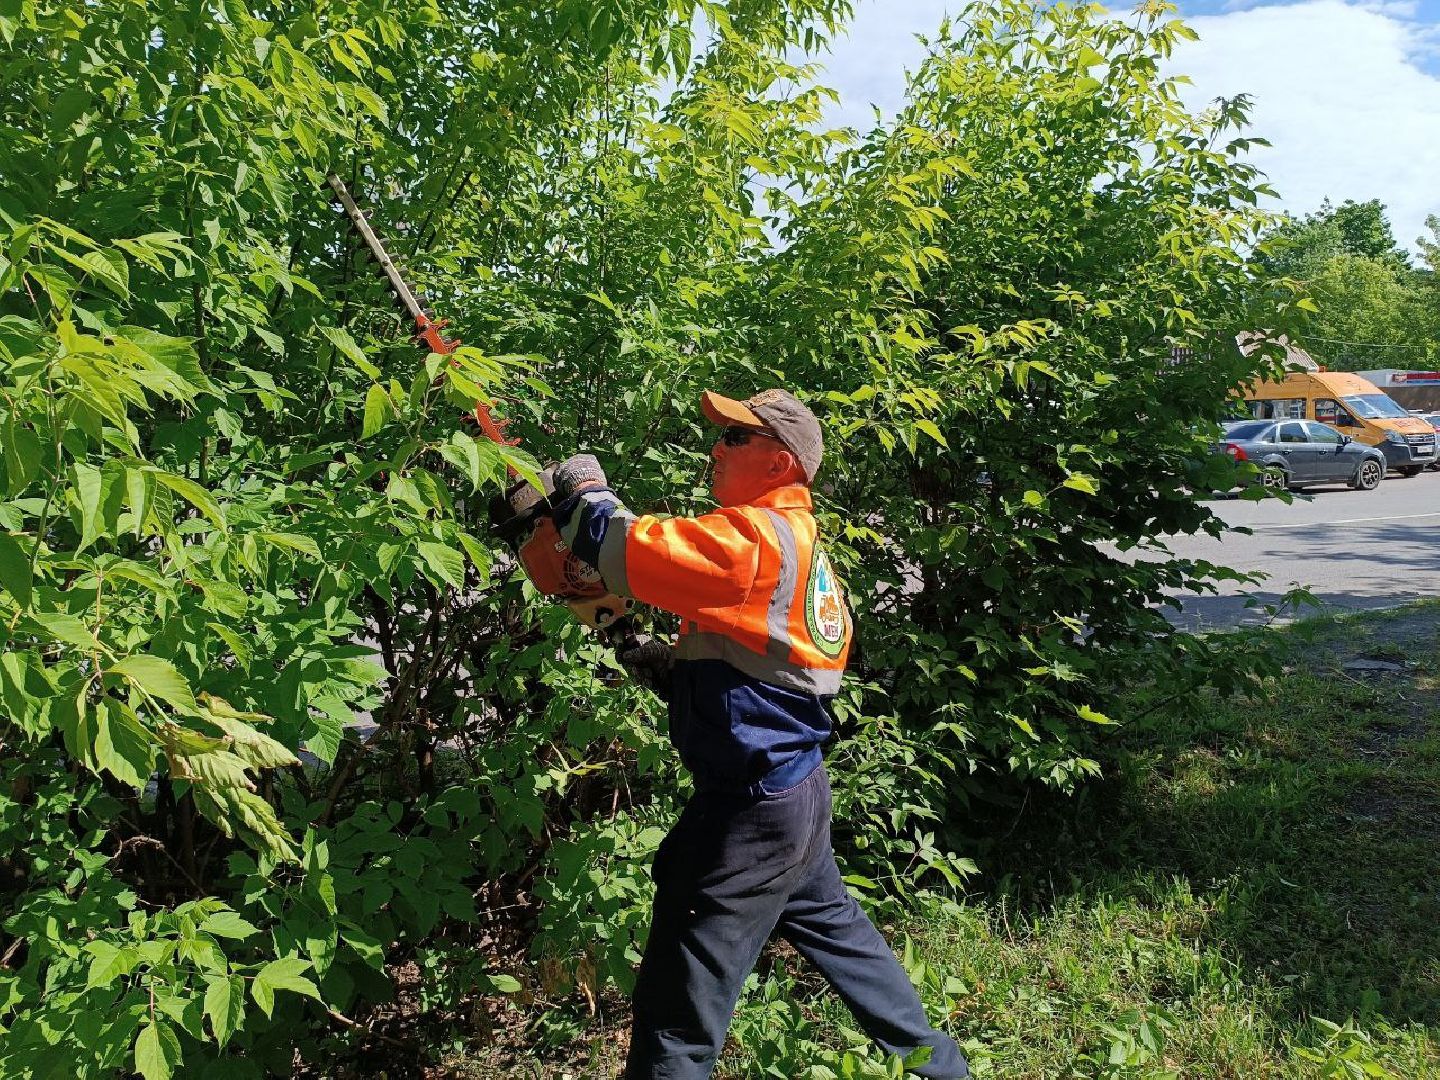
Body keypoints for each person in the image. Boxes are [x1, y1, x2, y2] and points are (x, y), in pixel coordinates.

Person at [549, 388, 968, 1080]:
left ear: (779, 462)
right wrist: (665, 665)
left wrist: (585, 494)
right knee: (851, 949)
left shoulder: (753, 543)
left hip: (747, 814)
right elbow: (772, 687)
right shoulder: (805, 557)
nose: (716, 449)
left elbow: (622, 547)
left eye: (734, 440)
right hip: (795, 796)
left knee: (677, 1018)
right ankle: (943, 1071)